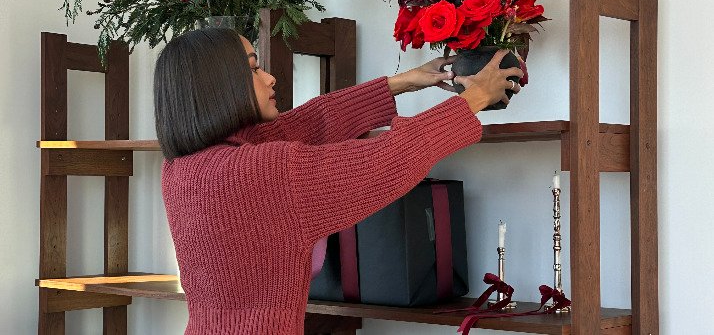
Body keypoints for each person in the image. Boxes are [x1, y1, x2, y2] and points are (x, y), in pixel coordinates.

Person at [154, 27, 522, 334]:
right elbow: (388, 160)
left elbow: (309, 122)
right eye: (253, 69)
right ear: (220, 86)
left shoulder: (183, 169)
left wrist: (404, 82)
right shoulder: (260, 174)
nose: (269, 77)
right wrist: (473, 98)